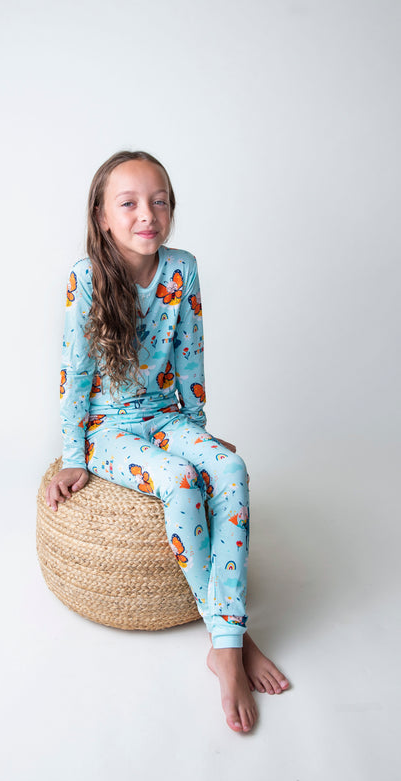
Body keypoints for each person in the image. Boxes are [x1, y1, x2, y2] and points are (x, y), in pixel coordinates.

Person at [45, 150, 289, 733]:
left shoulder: (183, 268)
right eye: (128, 203)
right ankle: (231, 640)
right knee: (181, 482)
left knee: (228, 469)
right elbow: (75, 375)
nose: (146, 214)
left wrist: (198, 433)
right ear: (103, 217)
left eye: (159, 201)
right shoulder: (86, 279)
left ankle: (224, 641)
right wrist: (74, 458)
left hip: (165, 415)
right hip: (109, 429)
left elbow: (189, 356)